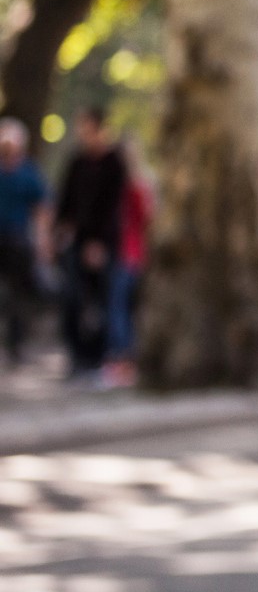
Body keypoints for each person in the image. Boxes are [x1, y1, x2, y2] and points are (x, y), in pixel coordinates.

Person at [53, 106, 128, 377]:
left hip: (103, 243)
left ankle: (99, 358)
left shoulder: (114, 162)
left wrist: (98, 242)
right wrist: (60, 230)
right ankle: (77, 356)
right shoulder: (77, 162)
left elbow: (112, 207)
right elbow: (66, 200)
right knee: (72, 297)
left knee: (102, 301)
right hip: (76, 240)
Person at [0, 117, 51, 367]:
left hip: (18, 240)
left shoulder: (28, 172)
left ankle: (16, 345)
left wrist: (42, 241)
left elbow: (42, 208)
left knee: (18, 294)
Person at [102, 140, 153, 386]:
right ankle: (124, 358)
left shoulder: (129, 187)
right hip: (129, 252)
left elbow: (144, 219)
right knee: (123, 307)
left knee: (118, 307)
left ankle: (123, 359)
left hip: (127, 252)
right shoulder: (135, 185)